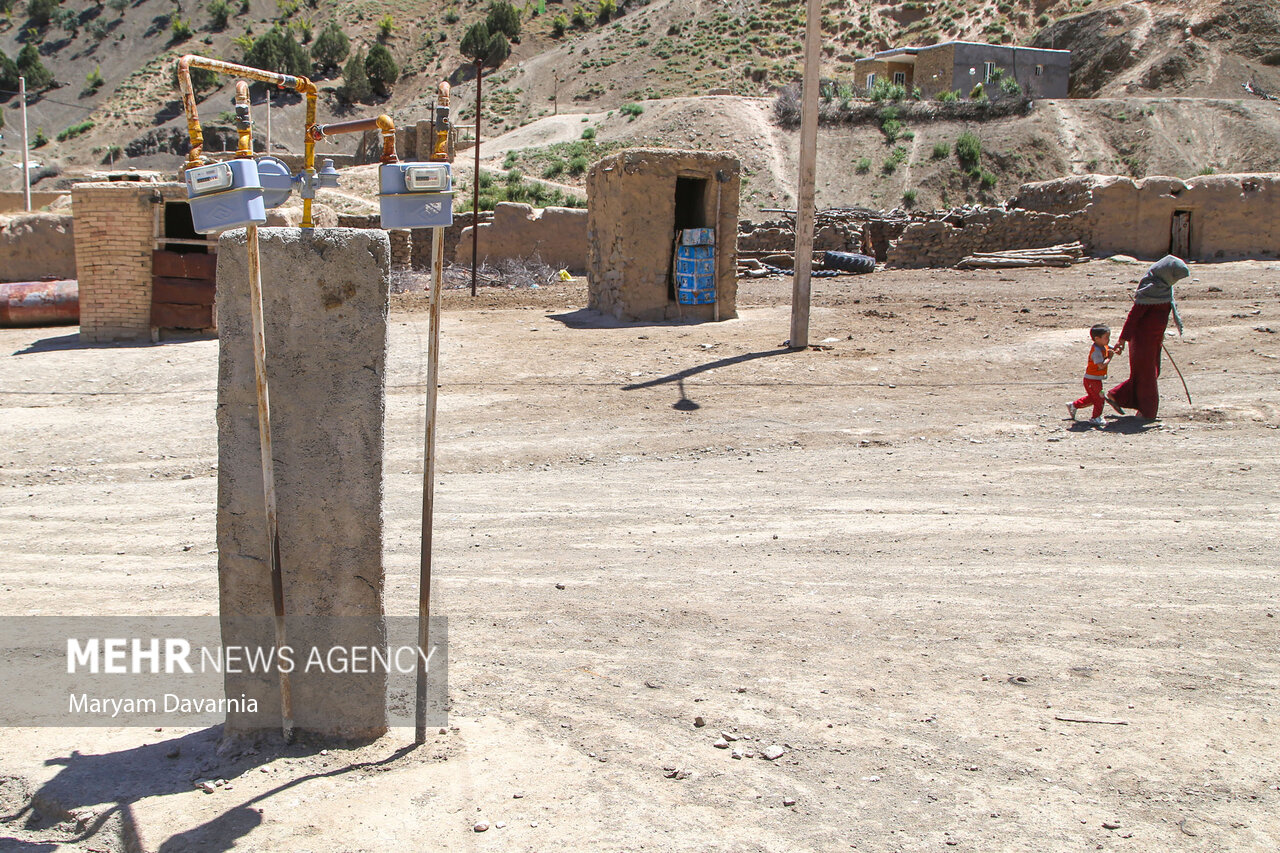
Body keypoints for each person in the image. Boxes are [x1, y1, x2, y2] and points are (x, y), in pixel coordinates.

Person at [1107, 255, 1189, 419]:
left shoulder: (1164, 287)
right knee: (1147, 375)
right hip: (1142, 340)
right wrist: (1122, 339)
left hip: (1155, 339)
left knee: (1151, 372)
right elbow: (1134, 316)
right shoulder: (1150, 288)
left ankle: (1117, 395)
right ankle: (1146, 412)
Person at [1068, 324, 1113, 426]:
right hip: (1092, 380)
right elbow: (1101, 366)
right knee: (1100, 398)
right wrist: (1110, 358)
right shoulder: (1096, 351)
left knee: (1094, 398)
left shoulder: (1102, 346)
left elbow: (1111, 348)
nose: (1108, 340)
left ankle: (1074, 405)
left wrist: (1116, 349)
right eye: (1106, 338)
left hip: (1094, 379)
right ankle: (1095, 417)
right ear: (1097, 339)